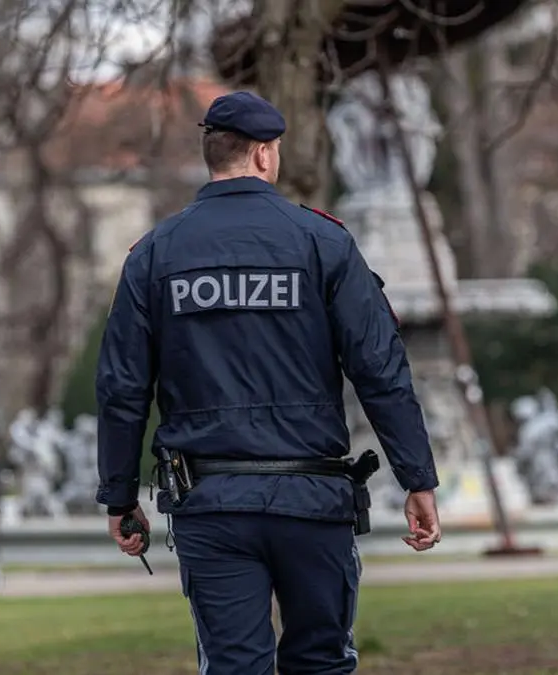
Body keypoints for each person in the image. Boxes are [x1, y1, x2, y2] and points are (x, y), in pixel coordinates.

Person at [95, 91, 443, 675]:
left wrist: (119, 496)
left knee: (234, 667)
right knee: (321, 663)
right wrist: (418, 478)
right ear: (262, 155)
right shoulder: (323, 242)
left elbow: (122, 387)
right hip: (312, 502)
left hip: (210, 504)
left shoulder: (155, 254)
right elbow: (380, 370)